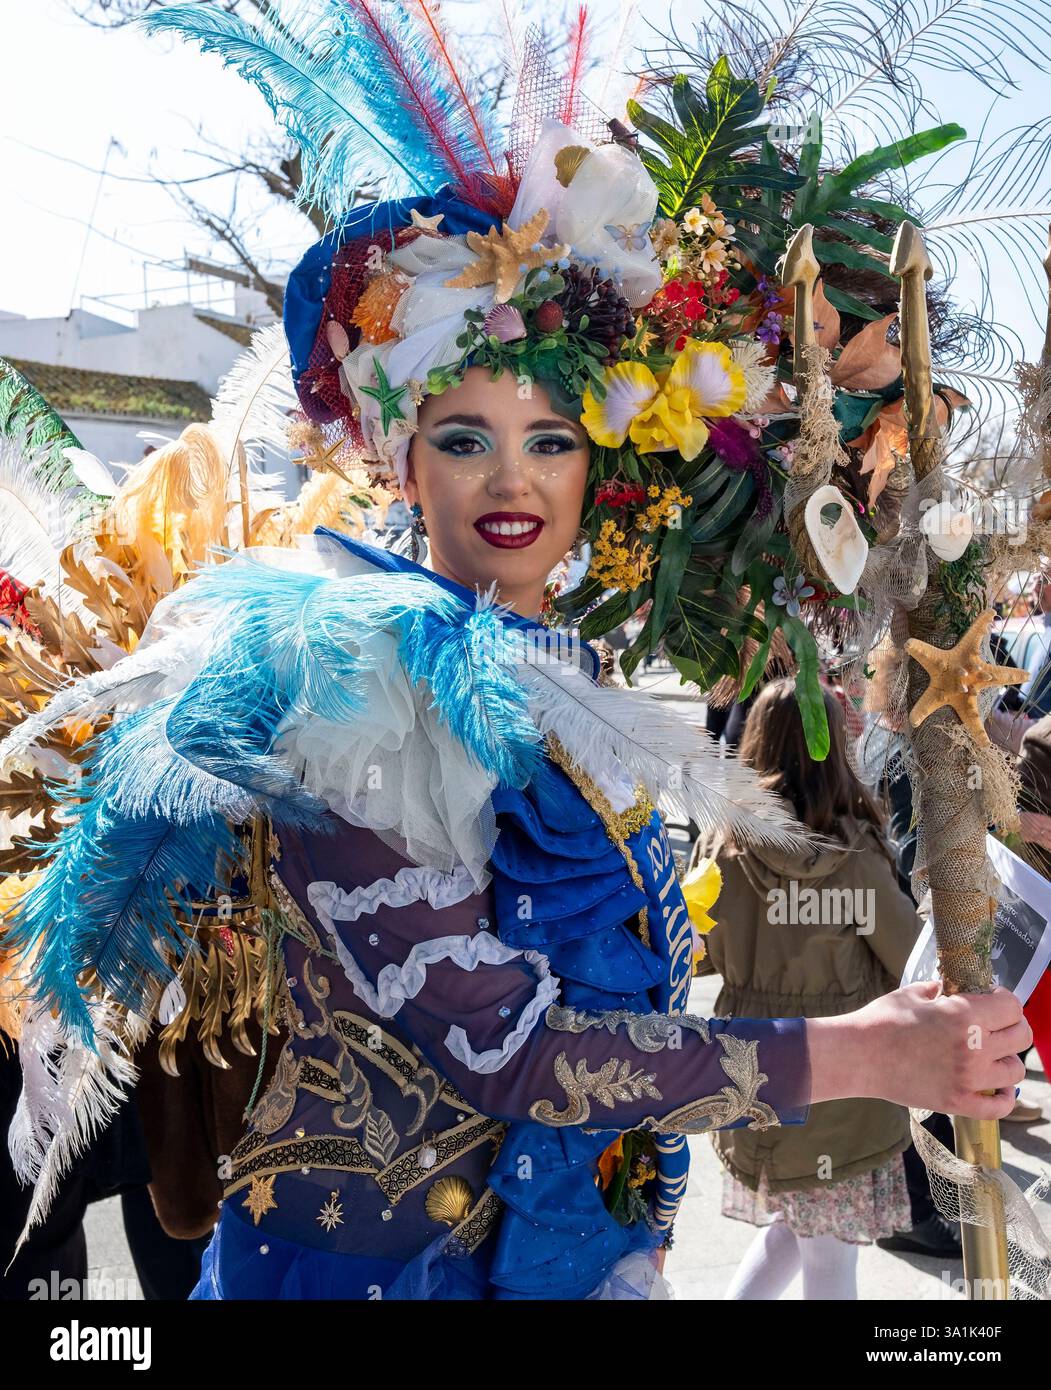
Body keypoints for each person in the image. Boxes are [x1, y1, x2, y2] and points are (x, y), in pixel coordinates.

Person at [1, 5, 1029, 1302]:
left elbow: (618, 957)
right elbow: (513, 1050)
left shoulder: (545, 651)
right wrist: (856, 1055)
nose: (512, 480)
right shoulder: (356, 658)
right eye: (461, 435)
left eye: (549, 437)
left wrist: (631, 1214)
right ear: (390, 447)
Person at [693, 678, 938, 1299]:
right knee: (830, 1262)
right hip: (842, 1079)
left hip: (754, 1069)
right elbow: (909, 955)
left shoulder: (721, 849)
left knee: (795, 1225)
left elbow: (698, 947)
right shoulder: (854, 857)